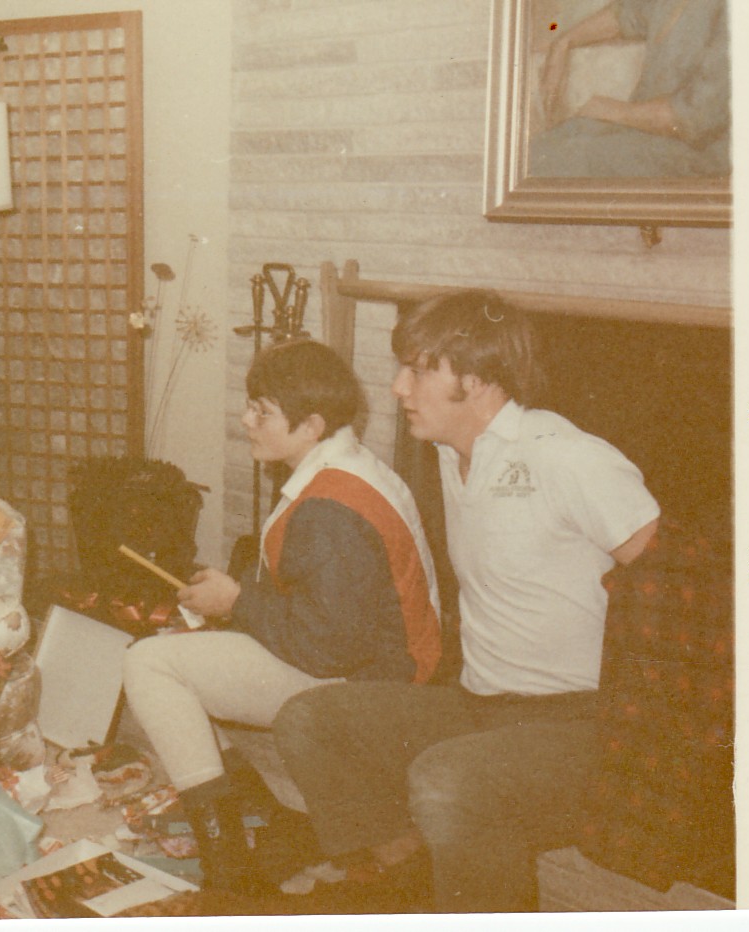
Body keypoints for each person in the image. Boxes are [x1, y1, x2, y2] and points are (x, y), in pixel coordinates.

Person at [273, 290, 660, 913]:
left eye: (417, 370)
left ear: (476, 380)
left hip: (580, 723)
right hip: (482, 705)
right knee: (310, 720)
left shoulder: (563, 456)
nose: (397, 387)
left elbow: (680, 582)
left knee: (445, 781)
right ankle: (401, 873)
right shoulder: (452, 456)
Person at [121, 339, 440, 895]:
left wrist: (236, 603)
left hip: (375, 686)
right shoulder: (345, 468)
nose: (246, 420)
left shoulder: (328, 508)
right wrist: (233, 604)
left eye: (262, 411)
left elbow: (327, 648)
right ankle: (267, 817)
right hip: (377, 663)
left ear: (311, 425)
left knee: (150, 664)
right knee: (180, 656)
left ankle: (227, 863)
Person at [530, 0, 729, 178]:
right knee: (560, 138)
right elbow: (626, 14)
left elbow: (691, 118)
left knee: (565, 157)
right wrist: (562, 43)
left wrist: (611, 111)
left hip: (698, 159)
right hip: (646, 135)